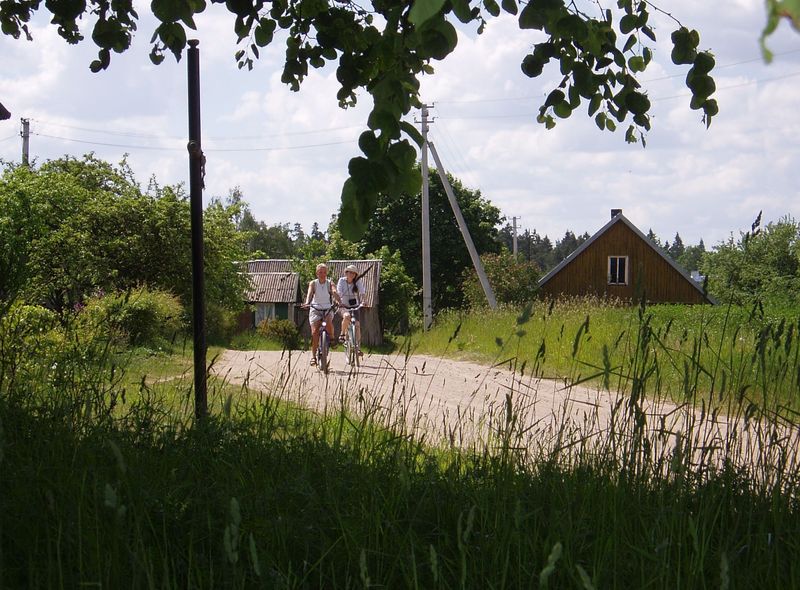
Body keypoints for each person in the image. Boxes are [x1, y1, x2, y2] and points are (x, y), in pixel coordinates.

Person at [304, 263, 341, 366]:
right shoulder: (313, 283)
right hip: (315, 309)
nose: (323, 274)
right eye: (320, 272)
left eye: (324, 272)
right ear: (317, 273)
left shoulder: (330, 283)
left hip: (327, 309)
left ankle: (332, 338)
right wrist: (307, 302)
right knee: (315, 332)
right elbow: (310, 293)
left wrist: (338, 300)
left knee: (328, 323)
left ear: (326, 273)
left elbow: (334, 291)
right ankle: (313, 357)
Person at [337, 264, 364, 358]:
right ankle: (342, 334)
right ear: (346, 273)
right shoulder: (341, 281)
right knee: (347, 316)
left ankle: (358, 347)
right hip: (343, 306)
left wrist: (364, 301)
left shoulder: (357, 281)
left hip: (354, 306)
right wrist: (339, 302)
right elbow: (339, 292)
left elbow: (362, 292)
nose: (352, 274)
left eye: (354, 273)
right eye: (350, 272)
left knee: (357, 325)